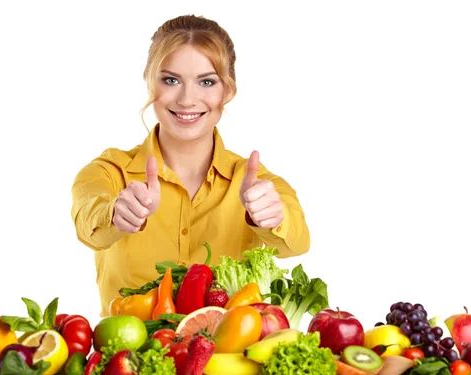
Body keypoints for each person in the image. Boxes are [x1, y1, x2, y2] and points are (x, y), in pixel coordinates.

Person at [71, 14, 311, 317]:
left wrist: (273, 217)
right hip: (133, 360)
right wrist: (116, 215)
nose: (187, 99)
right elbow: (86, 225)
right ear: (148, 80)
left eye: (206, 82)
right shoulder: (108, 172)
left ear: (228, 90)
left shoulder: (257, 184)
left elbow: (298, 242)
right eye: (171, 80)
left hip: (226, 360)